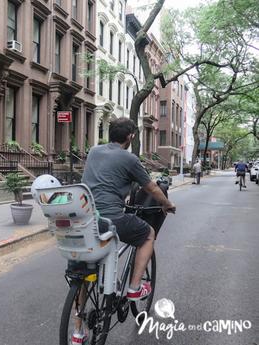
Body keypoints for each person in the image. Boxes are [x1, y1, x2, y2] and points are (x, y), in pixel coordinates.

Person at [73, 118, 175, 344]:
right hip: (111, 219)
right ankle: (134, 287)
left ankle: (78, 331)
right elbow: (151, 187)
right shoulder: (129, 158)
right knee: (147, 233)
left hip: (85, 219)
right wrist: (167, 204)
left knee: (84, 272)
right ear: (130, 137)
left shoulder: (93, 152)